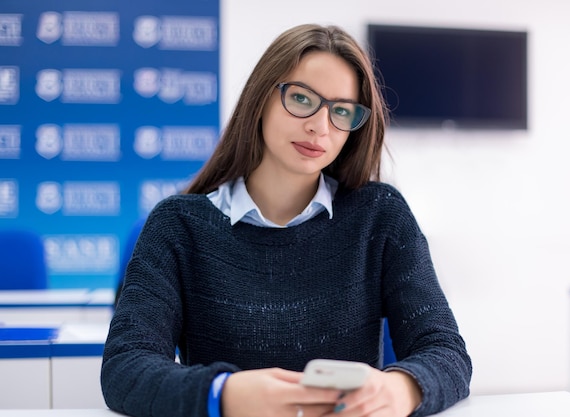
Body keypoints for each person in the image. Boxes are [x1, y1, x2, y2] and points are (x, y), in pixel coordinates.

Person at [101, 23, 472, 417]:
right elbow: (125, 369)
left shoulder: (380, 217)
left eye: (341, 111)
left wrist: (400, 389)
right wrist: (224, 394)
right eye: (301, 98)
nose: (319, 126)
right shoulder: (178, 226)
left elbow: (447, 353)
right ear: (261, 98)